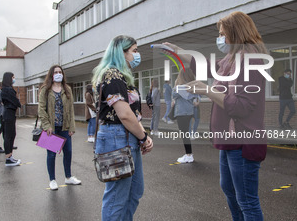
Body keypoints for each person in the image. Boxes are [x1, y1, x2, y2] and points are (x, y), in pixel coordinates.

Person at [165, 11, 267, 220]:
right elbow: (206, 66)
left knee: (246, 200)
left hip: (243, 142)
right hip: (229, 141)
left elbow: (241, 107)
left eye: (223, 34)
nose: (220, 38)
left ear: (236, 33)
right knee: (230, 192)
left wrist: (206, 90)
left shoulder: (251, 60)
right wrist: (179, 52)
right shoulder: (231, 59)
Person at [92, 35, 153, 221]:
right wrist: (143, 137)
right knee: (117, 197)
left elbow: (133, 114)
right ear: (122, 53)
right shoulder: (112, 75)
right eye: (134, 50)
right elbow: (124, 114)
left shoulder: (122, 77)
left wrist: (143, 136)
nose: (137, 54)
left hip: (127, 137)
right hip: (116, 137)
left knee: (134, 191)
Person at [38, 65, 81, 190]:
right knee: (51, 155)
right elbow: (41, 109)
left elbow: (71, 109)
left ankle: (68, 177)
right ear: (51, 74)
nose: (58, 74)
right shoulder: (45, 90)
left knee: (68, 152)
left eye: (60, 72)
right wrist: (47, 126)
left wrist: (72, 127)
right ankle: (52, 180)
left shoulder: (67, 89)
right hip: (51, 128)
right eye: (55, 72)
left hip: (64, 127)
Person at [172, 68, 199, 163]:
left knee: (184, 134)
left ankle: (188, 155)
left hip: (182, 112)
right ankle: (189, 154)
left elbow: (174, 95)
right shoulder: (192, 86)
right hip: (189, 111)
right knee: (186, 133)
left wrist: (176, 84)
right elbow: (197, 96)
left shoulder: (180, 87)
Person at [1, 72, 22, 166]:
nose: (14, 79)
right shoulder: (8, 90)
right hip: (9, 114)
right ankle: (8, 158)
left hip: (9, 114)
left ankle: (10, 156)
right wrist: (18, 103)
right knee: (9, 136)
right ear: (9, 78)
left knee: (11, 135)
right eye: (13, 77)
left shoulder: (5, 89)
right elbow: (15, 101)